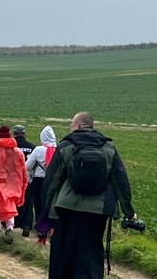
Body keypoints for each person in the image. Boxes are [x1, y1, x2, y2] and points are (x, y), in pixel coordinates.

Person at [43, 112, 137, 279]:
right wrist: (128, 211)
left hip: (67, 206)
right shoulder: (109, 148)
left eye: (72, 124)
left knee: (65, 249)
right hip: (99, 208)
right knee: (91, 250)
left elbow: (52, 179)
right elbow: (121, 181)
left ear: (78, 125)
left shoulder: (66, 145)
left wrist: (46, 208)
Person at [0, 126, 27, 244]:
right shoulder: (18, 152)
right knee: (10, 206)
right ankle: (9, 229)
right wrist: (23, 183)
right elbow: (23, 170)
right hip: (15, 182)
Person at [24, 126, 57, 244]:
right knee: (51, 207)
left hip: (39, 181)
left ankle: (42, 236)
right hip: (54, 182)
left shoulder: (39, 150)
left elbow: (27, 166)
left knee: (39, 208)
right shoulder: (58, 149)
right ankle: (53, 229)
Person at [12, 124, 36, 228]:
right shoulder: (32, 147)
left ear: (14, 134)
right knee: (28, 202)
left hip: (13, 179)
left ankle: (13, 223)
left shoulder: (12, 147)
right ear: (24, 134)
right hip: (27, 178)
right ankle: (26, 225)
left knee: (13, 201)